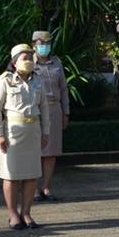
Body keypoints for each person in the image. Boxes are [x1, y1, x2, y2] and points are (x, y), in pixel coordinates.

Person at [0, 43, 49, 231]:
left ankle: (26, 213)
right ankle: (13, 215)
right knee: (12, 176)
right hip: (13, 134)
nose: (29, 61)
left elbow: (44, 109)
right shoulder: (5, 80)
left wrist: (46, 131)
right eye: (25, 58)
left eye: (30, 58)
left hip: (33, 132)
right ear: (14, 62)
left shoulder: (37, 80)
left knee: (31, 176)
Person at [31, 30, 69, 203]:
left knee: (50, 152)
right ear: (34, 45)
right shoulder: (28, 63)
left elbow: (63, 88)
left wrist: (66, 112)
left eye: (47, 43)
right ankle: (34, 188)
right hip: (36, 111)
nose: (44, 46)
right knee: (35, 151)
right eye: (41, 43)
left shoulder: (57, 63)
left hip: (54, 109)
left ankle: (46, 186)